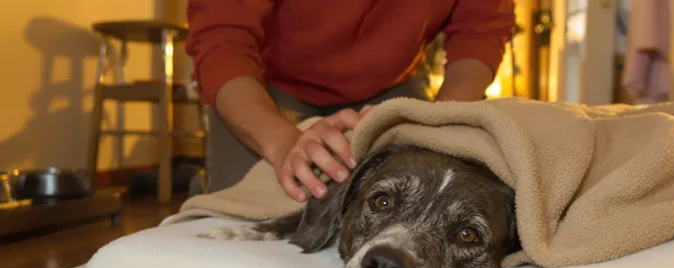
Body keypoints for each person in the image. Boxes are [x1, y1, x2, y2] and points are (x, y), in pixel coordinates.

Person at [186, 0, 516, 201]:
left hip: (392, 83)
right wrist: (283, 143)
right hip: (268, 82)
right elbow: (223, 41)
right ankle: (206, 184)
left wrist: (437, 126)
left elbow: (480, 30)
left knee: (422, 193)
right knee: (252, 208)